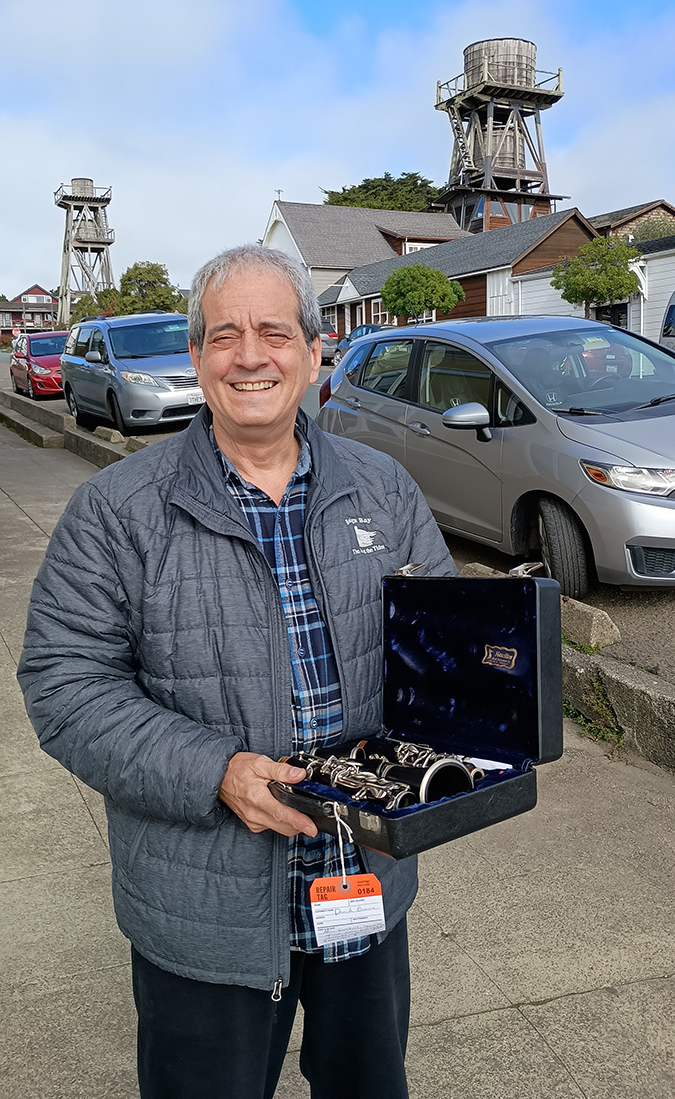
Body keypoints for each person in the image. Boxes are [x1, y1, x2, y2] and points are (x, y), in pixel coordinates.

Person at [19, 245, 456, 1099]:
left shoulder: (383, 487)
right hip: (201, 913)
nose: (249, 356)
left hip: (362, 881)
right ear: (196, 356)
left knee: (368, 1085)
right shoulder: (118, 510)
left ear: (313, 349)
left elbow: (433, 649)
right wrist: (213, 771)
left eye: (272, 332)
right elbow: (65, 681)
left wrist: (478, 714)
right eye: (224, 335)